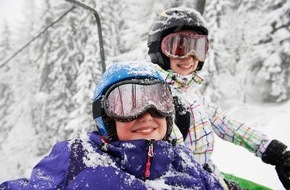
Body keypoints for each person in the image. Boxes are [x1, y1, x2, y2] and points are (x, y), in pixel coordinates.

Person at [0, 61, 225, 190]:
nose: (147, 115)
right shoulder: (77, 158)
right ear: (106, 116)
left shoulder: (183, 161)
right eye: (127, 104)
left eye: (158, 101)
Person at [147, 7, 290, 190]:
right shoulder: (157, 97)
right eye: (179, 47)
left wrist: (272, 150)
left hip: (207, 172)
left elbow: (226, 124)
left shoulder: (190, 93)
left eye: (198, 48)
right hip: (184, 182)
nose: (190, 57)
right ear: (159, 49)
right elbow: (177, 160)